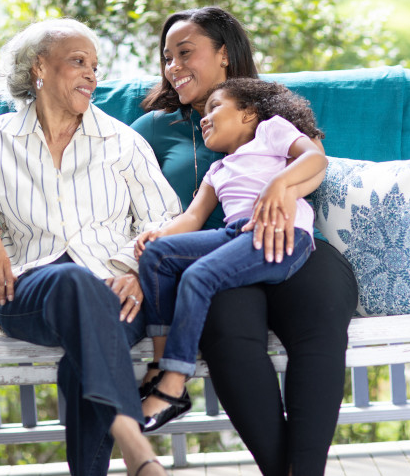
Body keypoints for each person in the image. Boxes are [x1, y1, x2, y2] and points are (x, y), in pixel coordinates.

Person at [0, 18, 177, 476]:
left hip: (119, 291)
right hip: (26, 291)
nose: (91, 75)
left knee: (89, 346)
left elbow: (165, 219)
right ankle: (135, 446)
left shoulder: (123, 142)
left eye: (95, 67)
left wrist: (134, 270)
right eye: (78, 61)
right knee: (72, 280)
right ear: (40, 67)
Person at [131, 7, 358, 476]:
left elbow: (313, 161)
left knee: (319, 326)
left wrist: (283, 187)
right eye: (166, 57)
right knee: (229, 333)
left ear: (225, 56)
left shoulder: (267, 109)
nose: (173, 67)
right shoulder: (155, 128)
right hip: (219, 252)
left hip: (297, 245)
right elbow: (88, 159)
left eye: (185, 53)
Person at [133, 78, 325, 433]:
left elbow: (315, 157)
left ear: (249, 113)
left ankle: (174, 386)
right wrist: (159, 233)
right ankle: (161, 359)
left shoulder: (271, 131)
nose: (205, 118)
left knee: (199, 276)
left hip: (282, 234)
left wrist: (279, 184)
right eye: (203, 114)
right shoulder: (218, 168)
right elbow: (192, 217)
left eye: (214, 108)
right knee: (157, 255)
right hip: (235, 233)